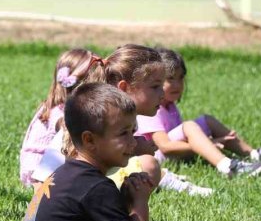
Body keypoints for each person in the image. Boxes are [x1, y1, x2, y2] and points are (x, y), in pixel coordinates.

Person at [20, 83, 171, 221]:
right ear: (90, 140)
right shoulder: (95, 186)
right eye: (123, 134)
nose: (133, 142)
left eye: (133, 132)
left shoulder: (66, 174)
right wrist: (140, 200)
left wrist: (124, 199)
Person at [31, 44, 212, 196]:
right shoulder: (104, 117)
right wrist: (136, 148)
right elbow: (97, 159)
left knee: (145, 168)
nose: (162, 93)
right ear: (124, 88)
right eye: (156, 86)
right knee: (148, 166)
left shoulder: (115, 114)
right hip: (57, 200)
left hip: (58, 200)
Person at [138, 48, 261, 178]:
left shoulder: (170, 106)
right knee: (189, 126)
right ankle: (228, 167)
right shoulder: (151, 109)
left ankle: (255, 154)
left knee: (206, 120)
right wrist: (210, 143)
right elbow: (166, 147)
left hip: (175, 154)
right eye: (170, 79)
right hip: (157, 159)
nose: (177, 84)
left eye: (181, 78)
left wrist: (208, 141)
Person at [19, 48, 98, 187]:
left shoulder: (57, 105)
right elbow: (71, 140)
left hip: (36, 168)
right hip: (41, 173)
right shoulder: (63, 113)